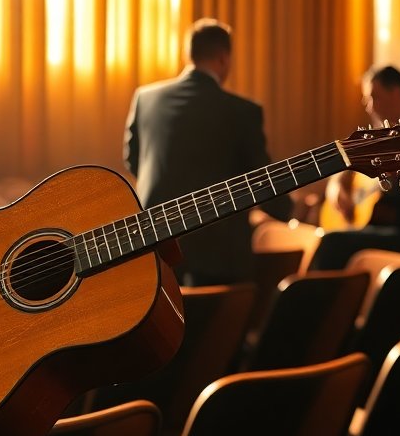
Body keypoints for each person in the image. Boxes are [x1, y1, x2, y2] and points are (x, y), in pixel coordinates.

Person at [124, 18, 292, 286]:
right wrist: (289, 212)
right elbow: (262, 181)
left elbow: (133, 161)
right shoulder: (243, 112)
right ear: (224, 59)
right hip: (219, 258)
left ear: (189, 54)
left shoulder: (146, 98)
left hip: (156, 249)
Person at [309, 65, 400, 270]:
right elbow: (346, 162)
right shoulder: (383, 131)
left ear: (395, 93)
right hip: (386, 226)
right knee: (321, 232)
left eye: (373, 97)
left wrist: (387, 187)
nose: (368, 106)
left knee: (332, 244)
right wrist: (336, 187)